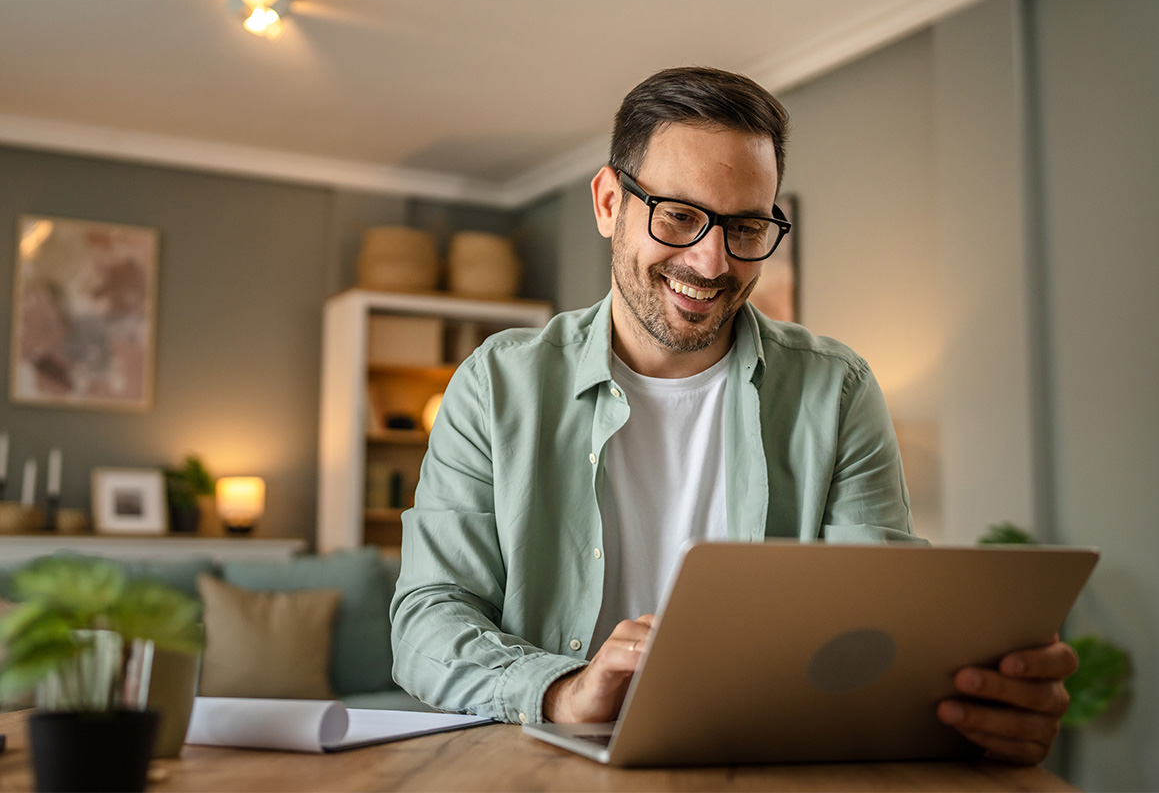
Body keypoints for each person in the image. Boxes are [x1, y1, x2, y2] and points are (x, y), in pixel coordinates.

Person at [391, 67, 1076, 765]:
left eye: (745, 226)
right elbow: (429, 618)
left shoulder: (835, 390)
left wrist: (975, 708)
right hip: (545, 771)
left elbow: (873, 631)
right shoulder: (496, 383)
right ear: (607, 203)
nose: (711, 261)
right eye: (680, 216)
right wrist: (565, 688)